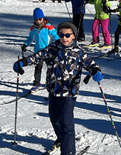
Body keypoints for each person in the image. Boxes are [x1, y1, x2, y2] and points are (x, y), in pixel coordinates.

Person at [12, 21, 103, 155]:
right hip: (54, 90)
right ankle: (61, 139)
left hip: (69, 93)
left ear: (73, 36)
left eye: (67, 35)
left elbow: (90, 63)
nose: (64, 38)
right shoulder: (52, 48)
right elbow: (37, 57)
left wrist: (96, 71)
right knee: (55, 118)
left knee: (66, 123)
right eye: (61, 35)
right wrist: (22, 62)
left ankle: (68, 151)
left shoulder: (79, 52)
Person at [22, 8, 60, 91]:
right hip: (38, 52)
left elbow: (55, 35)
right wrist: (25, 45)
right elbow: (30, 38)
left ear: (43, 18)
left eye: (40, 19)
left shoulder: (48, 26)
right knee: (38, 67)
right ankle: (36, 84)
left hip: (47, 51)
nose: (38, 21)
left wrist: (58, 44)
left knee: (51, 67)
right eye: (36, 20)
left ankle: (52, 83)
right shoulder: (33, 28)